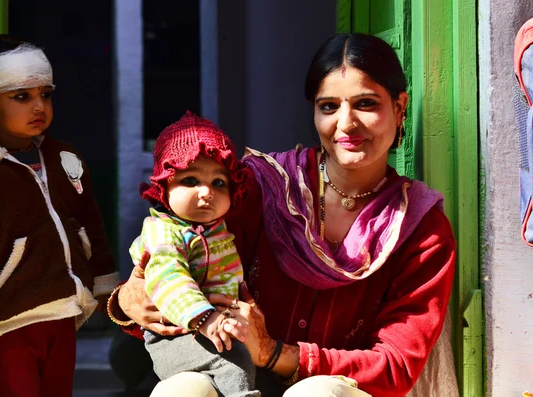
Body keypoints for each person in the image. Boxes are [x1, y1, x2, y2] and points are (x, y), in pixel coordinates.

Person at [108, 33, 458, 397]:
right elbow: (176, 266)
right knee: (185, 389)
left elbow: (395, 365)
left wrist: (276, 353)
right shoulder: (257, 189)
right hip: (230, 377)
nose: (346, 123)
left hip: (335, 389)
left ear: (400, 106)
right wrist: (126, 302)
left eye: (366, 103)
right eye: (328, 107)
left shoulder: (421, 231)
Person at [0, 35, 119, 397]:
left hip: (65, 310)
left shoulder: (65, 157)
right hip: (10, 318)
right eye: (21, 97)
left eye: (45, 94)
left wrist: (103, 287)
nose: (39, 107)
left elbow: (89, 222)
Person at [125, 111, 259, 396]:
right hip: (175, 335)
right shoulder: (163, 231)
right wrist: (205, 318)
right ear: (163, 187)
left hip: (215, 328)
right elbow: (168, 277)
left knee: (237, 365)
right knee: (232, 367)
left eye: (218, 183)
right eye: (190, 180)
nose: (206, 192)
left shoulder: (216, 230)